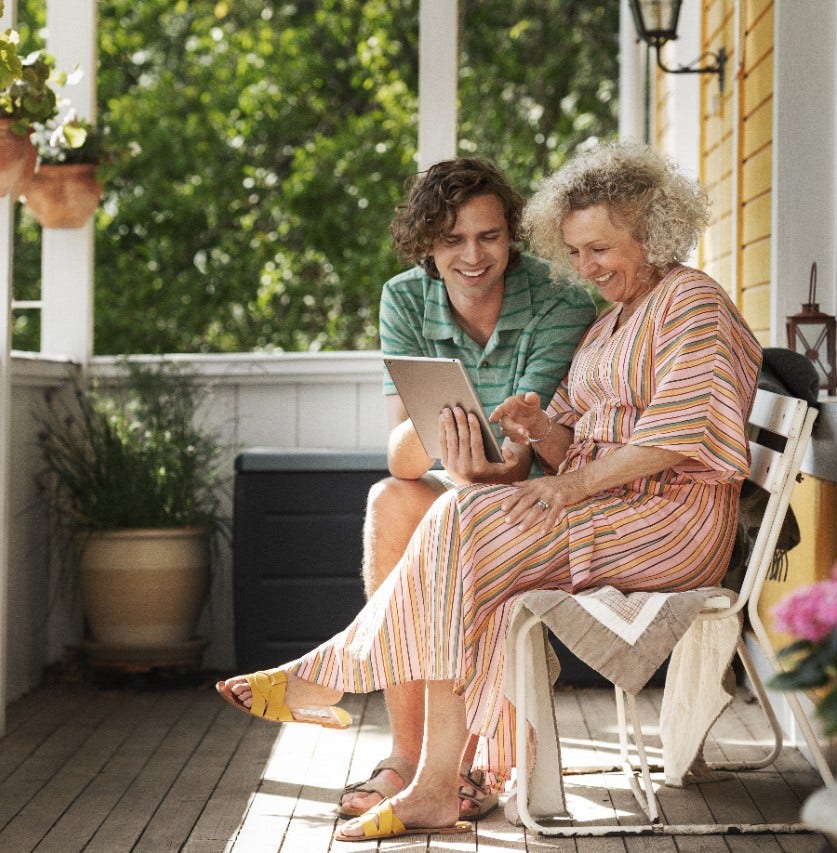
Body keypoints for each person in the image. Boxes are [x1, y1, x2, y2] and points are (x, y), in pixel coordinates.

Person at [217, 142, 762, 842]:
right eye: (574, 252)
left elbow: (676, 439)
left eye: (599, 249)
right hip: (614, 508)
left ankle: (333, 676)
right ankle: (435, 784)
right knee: (463, 536)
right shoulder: (616, 316)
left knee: (464, 522)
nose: (586, 268)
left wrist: (571, 486)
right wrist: (545, 430)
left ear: (652, 231)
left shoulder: (692, 302)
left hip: (672, 520)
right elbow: (583, 441)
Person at [341, 157, 596, 821]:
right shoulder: (404, 298)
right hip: (466, 491)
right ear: (428, 244)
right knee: (390, 502)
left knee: (459, 508)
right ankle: (406, 753)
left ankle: (474, 758)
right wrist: (448, 446)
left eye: (488, 235)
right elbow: (402, 454)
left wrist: (466, 453)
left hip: (545, 505)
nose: (472, 255)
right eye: (452, 239)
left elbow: (524, 453)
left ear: (512, 234)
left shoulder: (561, 299)